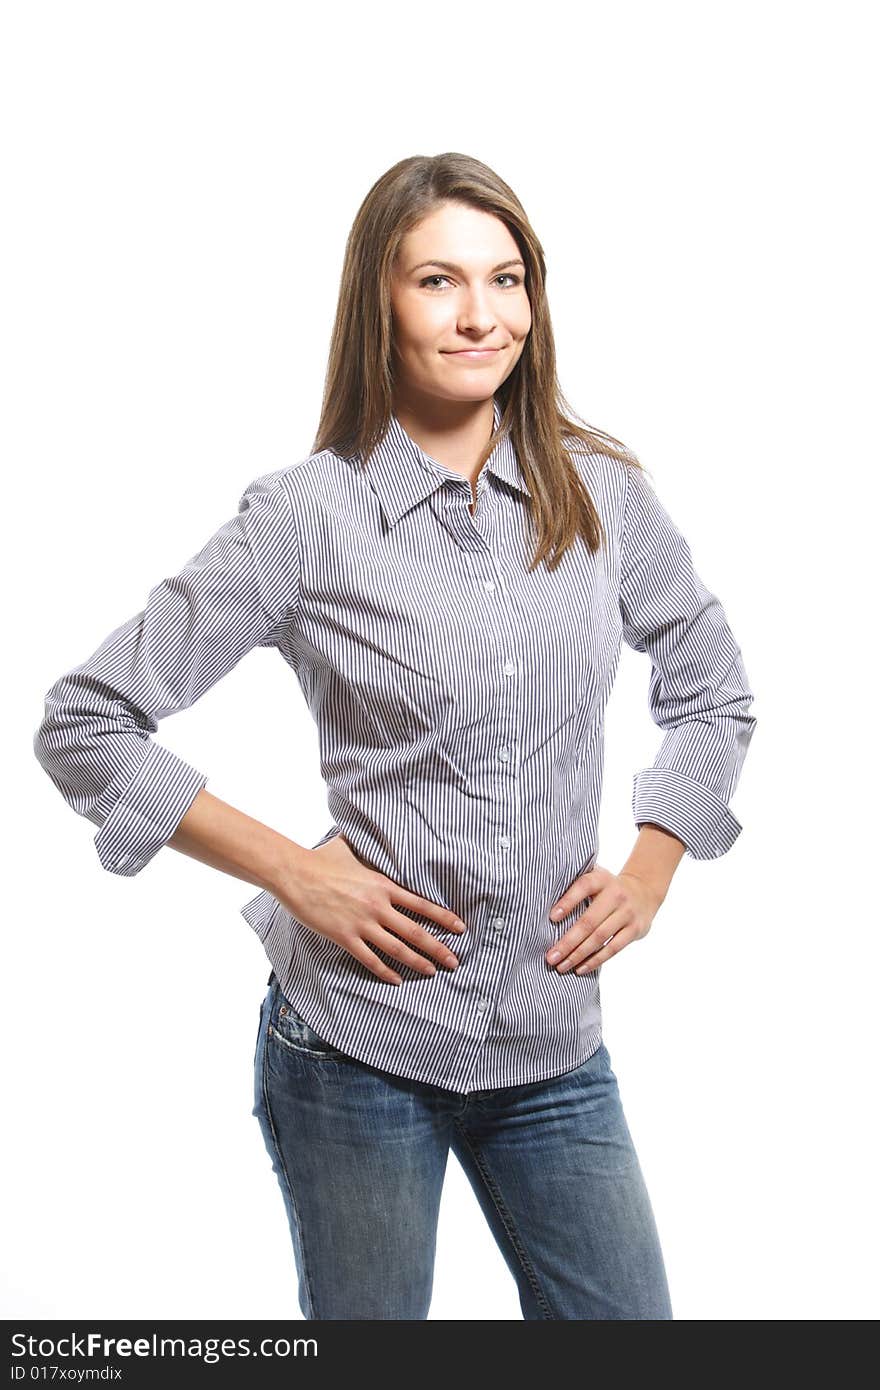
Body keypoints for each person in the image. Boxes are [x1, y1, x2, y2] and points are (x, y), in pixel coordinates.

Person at [34, 152, 757, 1320]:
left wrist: (654, 866)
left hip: (553, 1045)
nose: (482, 315)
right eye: (438, 282)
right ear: (379, 302)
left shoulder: (605, 496)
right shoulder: (303, 520)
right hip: (356, 1046)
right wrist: (293, 872)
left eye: (506, 279)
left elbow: (713, 686)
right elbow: (84, 721)